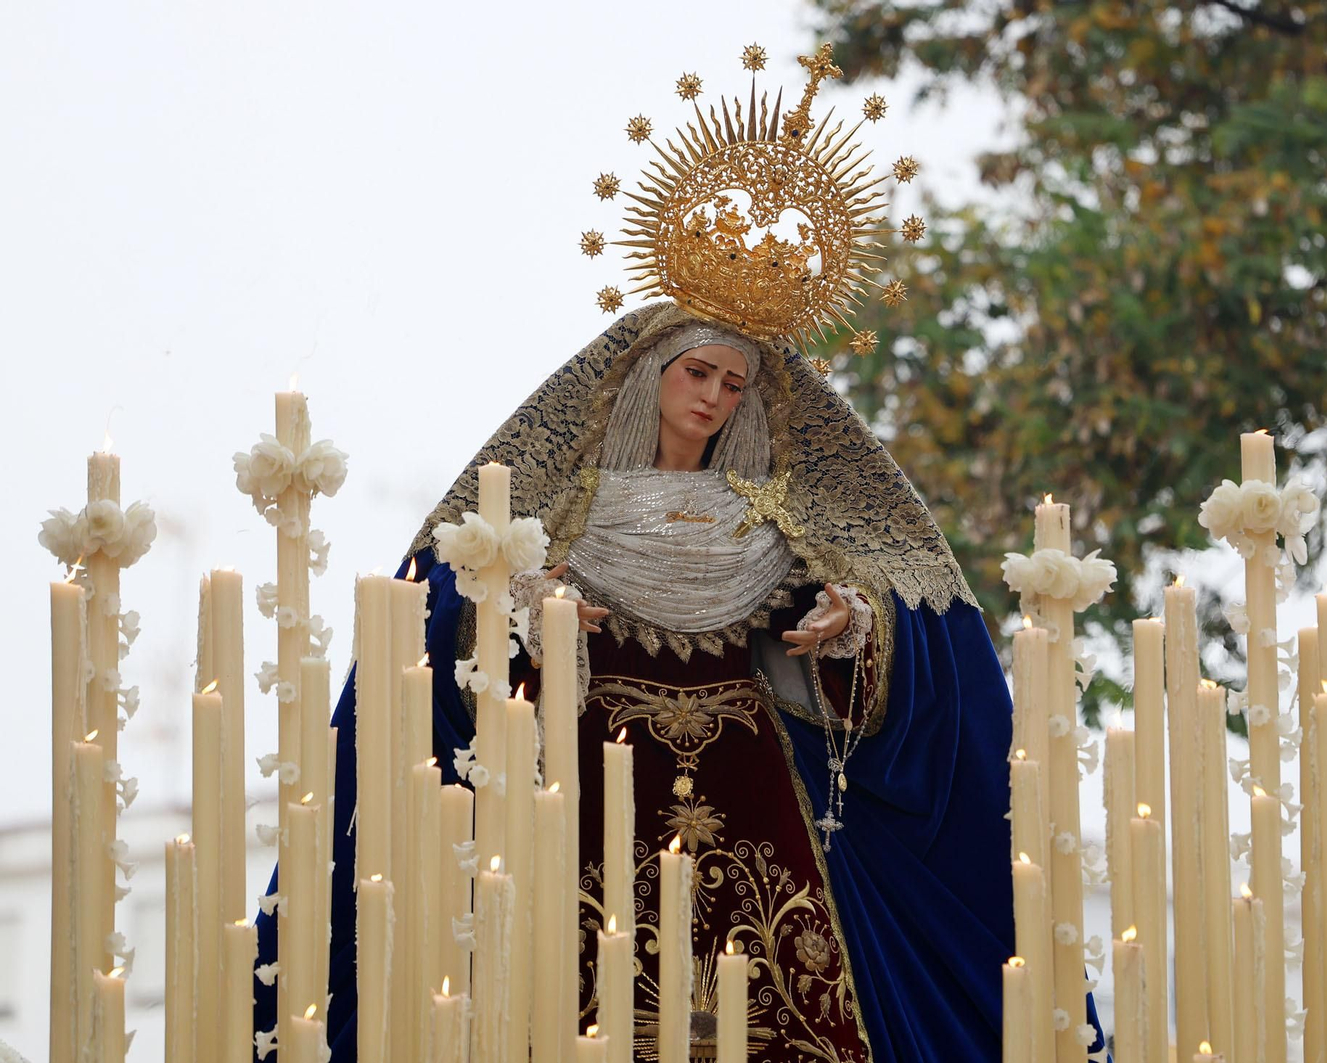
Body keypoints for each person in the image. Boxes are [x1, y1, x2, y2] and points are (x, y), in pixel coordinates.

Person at [255, 42, 1107, 1062]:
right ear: (652, 370)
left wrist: (846, 634)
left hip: (754, 806)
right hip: (583, 802)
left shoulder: (780, 526)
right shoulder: (546, 515)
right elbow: (434, 636)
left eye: (734, 384)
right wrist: (522, 615)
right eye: (696, 370)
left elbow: (917, 667)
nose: (710, 396)